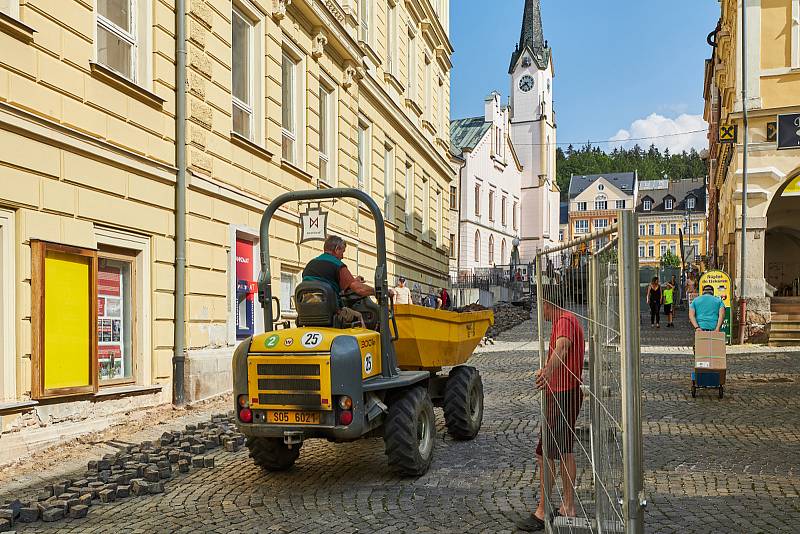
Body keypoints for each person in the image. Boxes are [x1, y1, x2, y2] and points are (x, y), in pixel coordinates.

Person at [517, 289, 585, 532]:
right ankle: (567, 506)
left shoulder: (564, 321)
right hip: (564, 392)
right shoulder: (567, 319)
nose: (538, 312)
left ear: (547, 304)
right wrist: (548, 369)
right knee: (564, 450)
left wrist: (547, 371)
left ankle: (543, 510)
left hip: (563, 394)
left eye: (539, 306)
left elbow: (563, 347)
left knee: (544, 452)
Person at [302, 236, 374, 326]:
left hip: (307, 315)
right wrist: (378, 291)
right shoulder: (337, 265)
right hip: (331, 314)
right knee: (359, 316)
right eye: (342, 252)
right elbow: (359, 289)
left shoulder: (310, 264)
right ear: (337, 249)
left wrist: (352, 280)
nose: (342, 257)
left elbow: (324, 280)